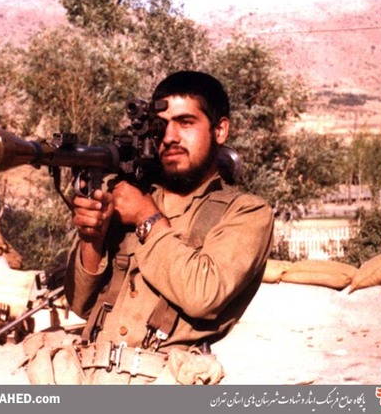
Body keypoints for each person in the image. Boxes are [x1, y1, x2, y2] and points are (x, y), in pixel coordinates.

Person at [23, 71, 273, 385]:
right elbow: (81, 304)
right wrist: (92, 239)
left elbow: (203, 295)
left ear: (220, 130)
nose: (169, 137)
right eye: (161, 126)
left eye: (185, 122)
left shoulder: (246, 212)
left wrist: (146, 217)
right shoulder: (128, 198)